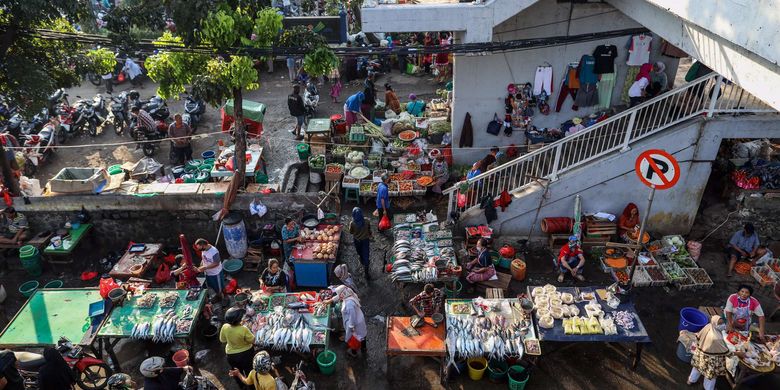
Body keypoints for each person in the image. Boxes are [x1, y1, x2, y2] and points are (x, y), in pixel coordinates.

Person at [687, 315, 731, 390]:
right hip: (710, 359)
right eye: (720, 324)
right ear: (715, 324)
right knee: (710, 375)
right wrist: (738, 353)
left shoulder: (708, 326)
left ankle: (690, 381)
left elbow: (698, 336)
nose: (723, 325)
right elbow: (726, 352)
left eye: (722, 323)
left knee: (697, 368)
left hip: (700, 353)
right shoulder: (717, 338)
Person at [220, 306, 255, 388]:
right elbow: (252, 340)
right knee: (249, 370)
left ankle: (241, 386)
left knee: (236, 371)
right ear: (239, 320)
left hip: (231, 356)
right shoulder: (244, 329)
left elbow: (222, 340)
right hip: (246, 354)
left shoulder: (225, 327)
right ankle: (252, 385)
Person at [332, 286, 367, 357]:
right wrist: (331, 300)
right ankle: (364, 348)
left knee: (354, 338)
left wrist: (351, 327)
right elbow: (338, 297)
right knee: (362, 335)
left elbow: (352, 316)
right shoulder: (350, 294)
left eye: (339, 294)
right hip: (359, 319)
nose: (339, 296)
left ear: (342, 294)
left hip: (355, 323)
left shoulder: (349, 304)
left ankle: (354, 352)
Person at [348, 207, 372, 279]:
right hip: (365, 240)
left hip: (357, 241)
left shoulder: (352, 223)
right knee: (366, 254)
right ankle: (366, 273)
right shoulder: (367, 221)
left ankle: (361, 259)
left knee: (359, 252)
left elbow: (351, 232)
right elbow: (369, 229)